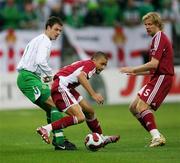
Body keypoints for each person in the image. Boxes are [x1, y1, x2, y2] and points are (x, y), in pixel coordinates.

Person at [17, 16, 76, 150]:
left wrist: (44, 77)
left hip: (30, 77)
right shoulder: (45, 41)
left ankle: (59, 140)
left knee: (52, 107)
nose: (58, 33)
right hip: (28, 77)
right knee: (55, 104)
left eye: (60, 31)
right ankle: (60, 141)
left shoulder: (38, 40)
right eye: (56, 29)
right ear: (48, 28)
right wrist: (51, 75)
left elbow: (34, 61)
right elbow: (40, 61)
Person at [36, 51, 120, 147]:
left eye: (105, 65)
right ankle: (46, 129)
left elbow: (69, 72)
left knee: (89, 111)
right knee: (80, 117)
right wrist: (93, 94)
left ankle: (101, 137)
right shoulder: (91, 65)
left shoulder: (84, 63)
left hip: (67, 87)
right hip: (62, 87)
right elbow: (81, 77)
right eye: (102, 64)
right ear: (94, 60)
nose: (103, 67)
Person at [120, 12, 174, 147]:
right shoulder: (156, 38)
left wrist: (133, 69)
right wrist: (137, 74)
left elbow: (154, 64)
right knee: (133, 107)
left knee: (141, 106)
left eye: (150, 24)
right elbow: (153, 68)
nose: (147, 27)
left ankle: (156, 136)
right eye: (145, 25)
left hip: (162, 78)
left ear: (157, 24)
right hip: (157, 76)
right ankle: (155, 134)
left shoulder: (159, 37)